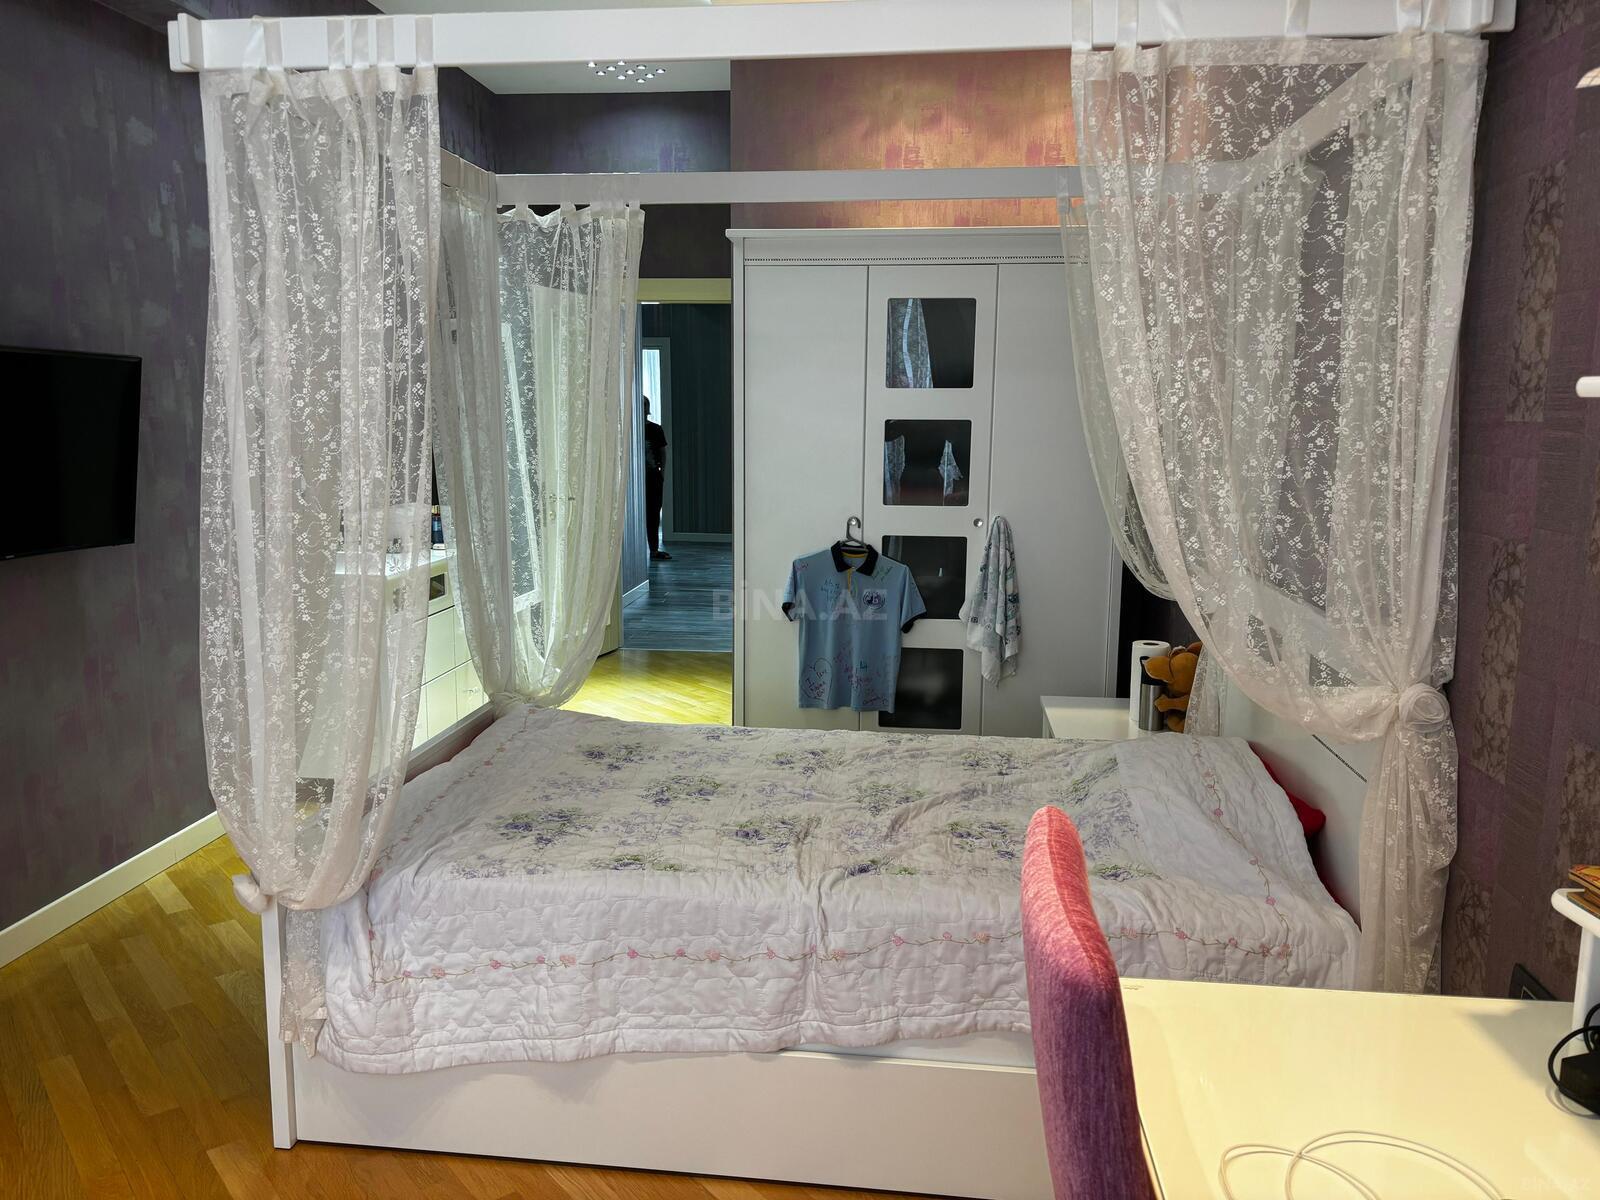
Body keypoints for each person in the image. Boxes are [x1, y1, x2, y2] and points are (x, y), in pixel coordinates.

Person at [643, 396, 670, 561]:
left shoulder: (655, 429)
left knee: (653, 513)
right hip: (636, 479)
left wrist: (662, 474)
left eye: (645, 405)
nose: (643, 408)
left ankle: (653, 549)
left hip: (653, 476)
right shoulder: (629, 429)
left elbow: (663, 452)